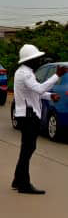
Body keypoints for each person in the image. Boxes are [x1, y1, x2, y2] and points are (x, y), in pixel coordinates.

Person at [12, 44, 64, 194]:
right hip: (29, 116)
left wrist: (50, 96)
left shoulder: (23, 72)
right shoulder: (26, 74)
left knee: (26, 149)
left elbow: (35, 92)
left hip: (26, 115)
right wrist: (57, 75)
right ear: (29, 60)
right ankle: (24, 184)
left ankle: (18, 180)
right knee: (28, 149)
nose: (39, 61)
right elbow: (40, 89)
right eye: (36, 58)